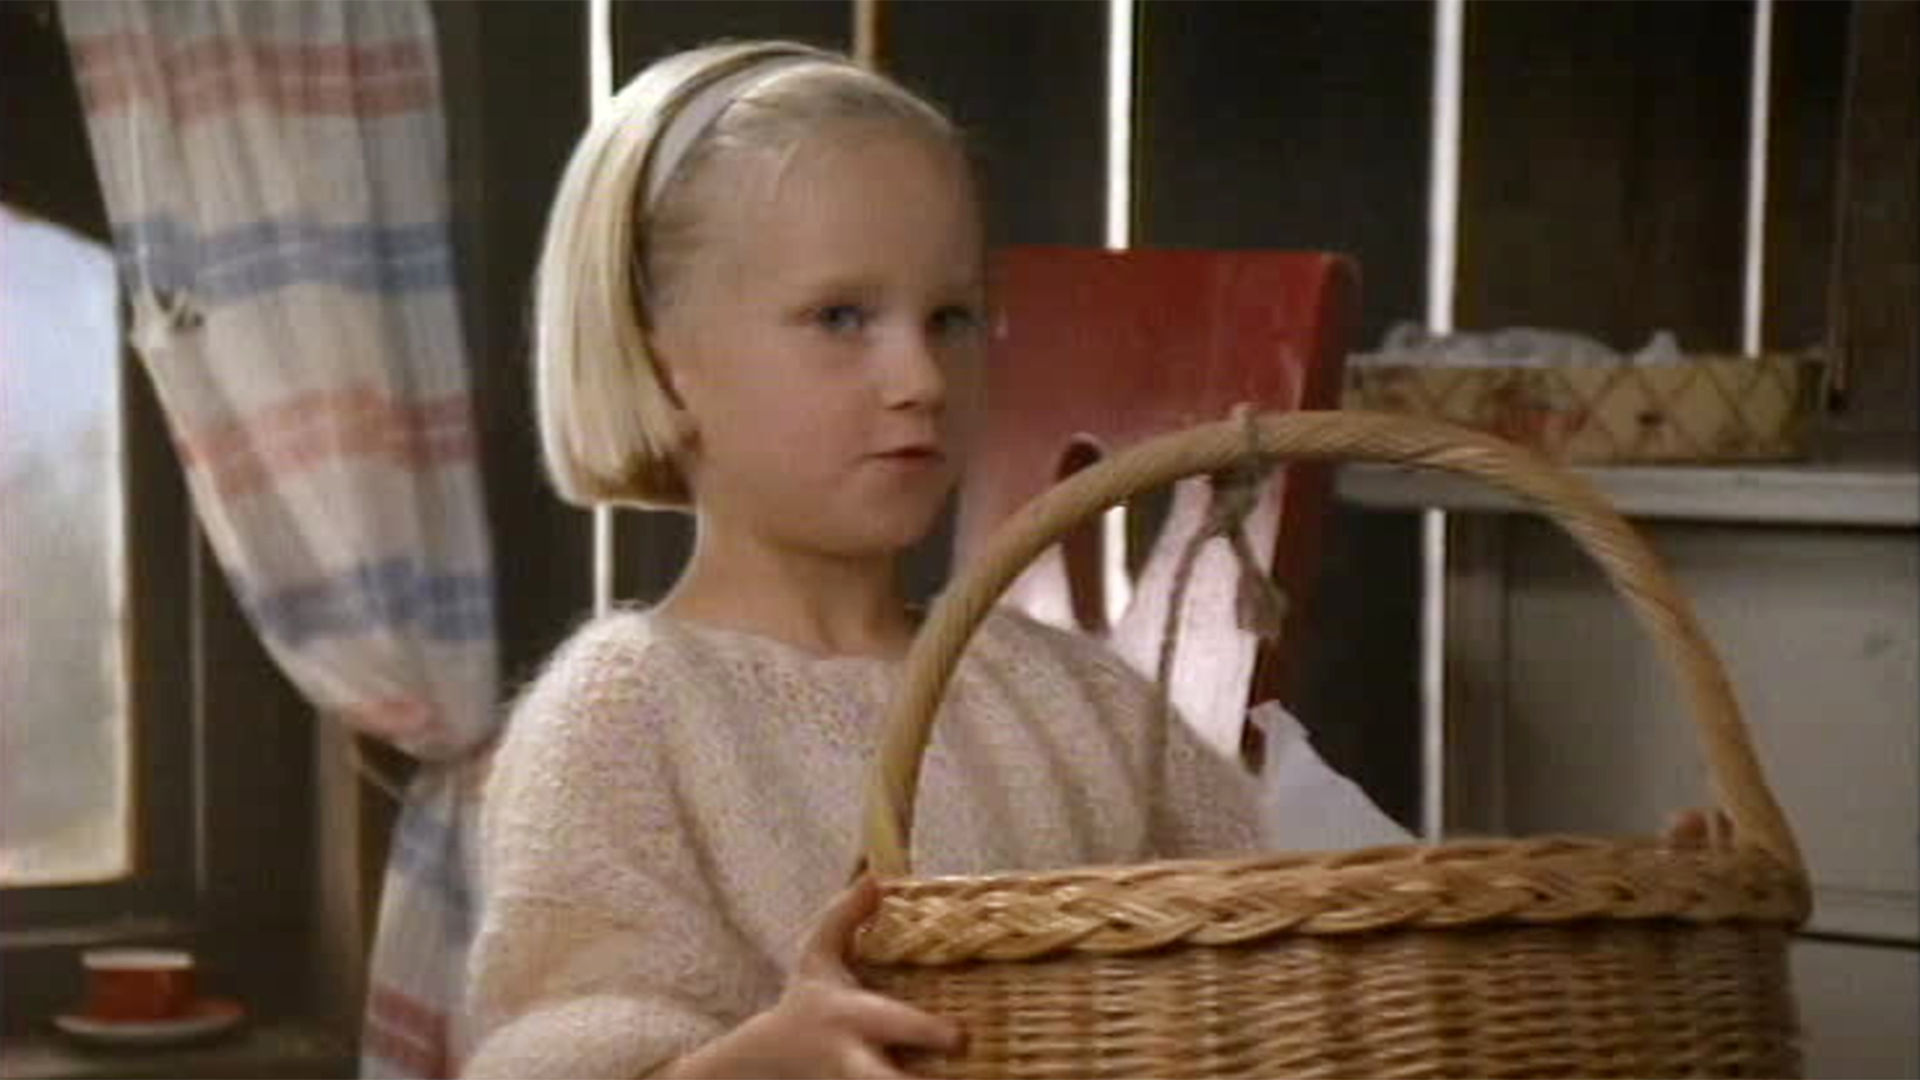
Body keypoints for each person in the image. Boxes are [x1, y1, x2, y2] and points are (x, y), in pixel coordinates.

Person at [456, 39, 1722, 1080]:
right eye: (841, 317)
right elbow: (553, 1048)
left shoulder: (1069, 699)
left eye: (952, 317)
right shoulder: (628, 713)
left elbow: (1298, 950)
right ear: (665, 359)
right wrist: (748, 1067)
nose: (918, 377)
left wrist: (1611, 919)